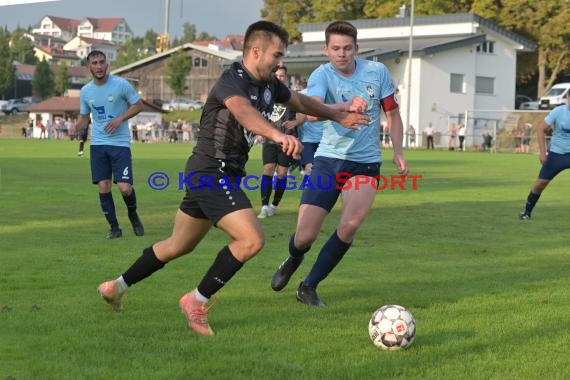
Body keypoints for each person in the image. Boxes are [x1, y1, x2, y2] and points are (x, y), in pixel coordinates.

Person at [96, 21, 370, 335]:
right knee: (251, 240)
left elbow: (302, 102)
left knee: (178, 245)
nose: (280, 62)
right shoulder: (232, 80)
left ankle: (115, 286)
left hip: (218, 173)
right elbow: (243, 112)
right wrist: (277, 136)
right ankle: (196, 301)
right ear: (256, 51)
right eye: (276, 54)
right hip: (212, 171)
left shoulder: (269, 84)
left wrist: (338, 113)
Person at [270, 20, 408, 307]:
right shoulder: (322, 74)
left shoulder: (377, 72)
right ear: (326, 49)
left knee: (350, 225)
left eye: (347, 48)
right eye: (335, 48)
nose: (341, 54)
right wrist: (345, 107)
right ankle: (294, 257)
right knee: (305, 236)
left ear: (356, 48)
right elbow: (312, 112)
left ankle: (308, 286)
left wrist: (397, 151)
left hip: (365, 162)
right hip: (328, 160)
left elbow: (393, 115)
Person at [77, 50, 145, 239]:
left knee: (124, 187)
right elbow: (84, 116)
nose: (98, 66)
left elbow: (139, 106)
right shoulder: (85, 91)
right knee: (103, 186)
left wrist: (120, 119)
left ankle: (133, 213)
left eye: (101, 62)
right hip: (98, 144)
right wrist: (79, 126)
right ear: (89, 67)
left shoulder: (121, 85)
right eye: (94, 63)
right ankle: (114, 228)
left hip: (120, 144)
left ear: (107, 65)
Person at [257, 65, 303, 219]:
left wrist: (295, 123)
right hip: (269, 140)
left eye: (282, 76)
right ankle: (264, 206)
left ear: (286, 77)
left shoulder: (291, 95)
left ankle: (274, 205)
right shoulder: (266, 94)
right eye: (276, 75)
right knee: (268, 170)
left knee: (282, 174)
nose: (279, 78)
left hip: (287, 141)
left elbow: (304, 113)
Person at [519, 92, 570, 220]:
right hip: (557, 153)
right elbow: (541, 128)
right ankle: (527, 212)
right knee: (540, 184)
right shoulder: (558, 111)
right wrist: (543, 153)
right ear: (568, 98)